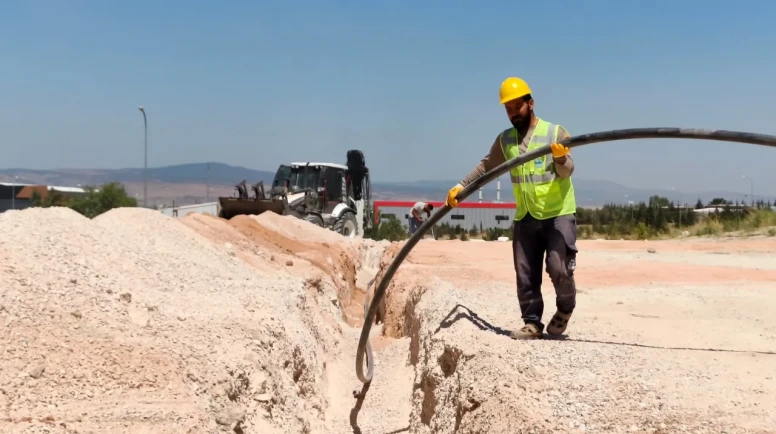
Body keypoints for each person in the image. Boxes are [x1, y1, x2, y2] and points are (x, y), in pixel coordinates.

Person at [444, 77, 578, 339]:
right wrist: (461, 186)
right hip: (526, 215)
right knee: (525, 273)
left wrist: (560, 157)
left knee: (558, 268)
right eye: (508, 109)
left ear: (531, 103)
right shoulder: (505, 141)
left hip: (558, 213)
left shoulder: (555, 133)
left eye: (517, 107)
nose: (512, 113)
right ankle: (532, 323)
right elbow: (486, 166)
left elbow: (567, 171)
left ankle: (565, 307)